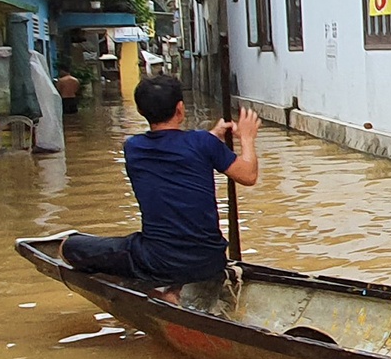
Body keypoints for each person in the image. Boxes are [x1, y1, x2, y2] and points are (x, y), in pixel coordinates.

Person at [62, 75, 259, 297]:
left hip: (156, 260)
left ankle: (162, 291)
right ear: (180, 109)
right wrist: (247, 139)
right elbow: (248, 175)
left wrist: (212, 137)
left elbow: (179, 150)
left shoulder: (133, 148)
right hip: (210, 260)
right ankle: (171, 291)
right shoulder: (204, 143)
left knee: (70, 246)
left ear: (141, 111)